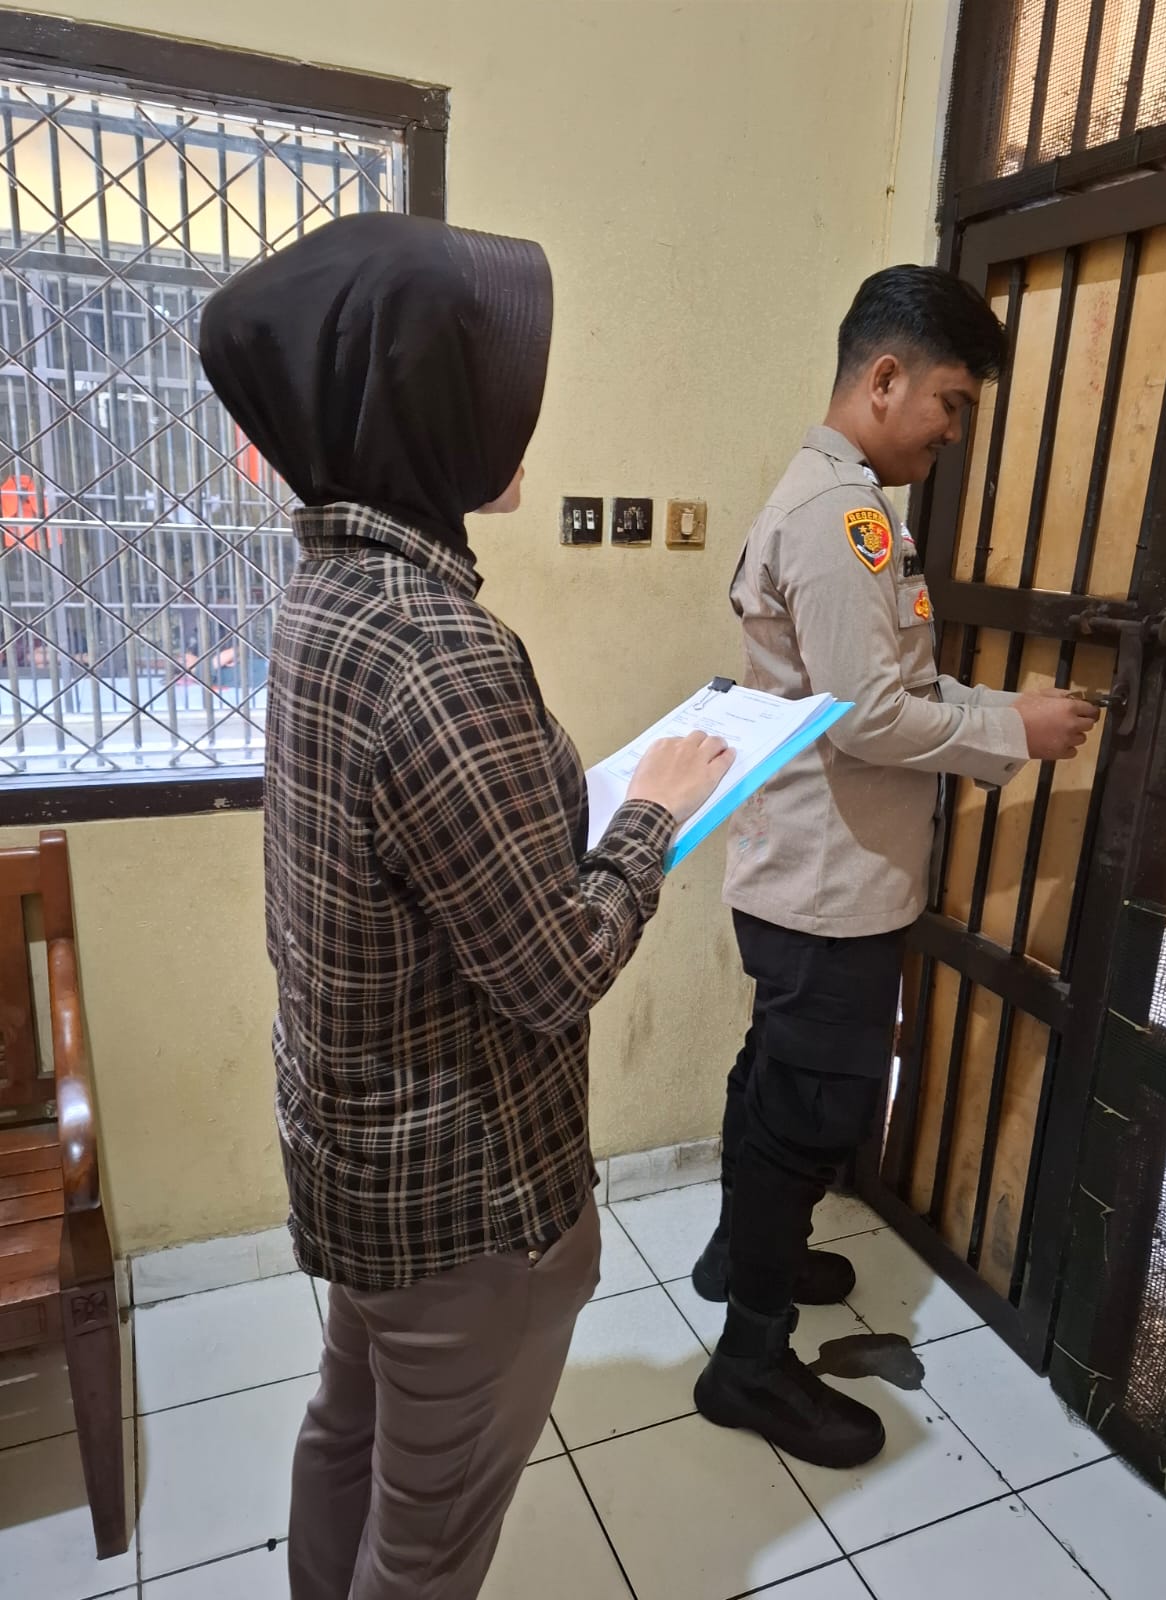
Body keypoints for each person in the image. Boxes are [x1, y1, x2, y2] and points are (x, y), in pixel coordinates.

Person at [198, 212, 733, 1600]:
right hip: (464, 1200)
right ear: (423, 405)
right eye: (493, 377)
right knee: (427, 1540)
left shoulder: (329, 590)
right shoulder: (438, 648)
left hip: (356, 1152)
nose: (520, 410)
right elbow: (553, 973)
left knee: (348, 1432)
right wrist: (654, 811)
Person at [690, 265, 1100, 1469]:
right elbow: (869, 716)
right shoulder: (840, 516)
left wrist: (999, 712)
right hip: (827, 891)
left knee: (778, 1080)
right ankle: (748, 1360)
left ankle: (740, 1254)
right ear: (884, 378)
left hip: (813, 876)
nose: (954, 432)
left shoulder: (845, 502)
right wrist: (1010, 732)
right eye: (952, 402)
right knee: (809, 1109)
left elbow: (889, 687)